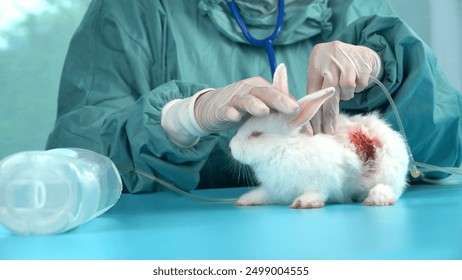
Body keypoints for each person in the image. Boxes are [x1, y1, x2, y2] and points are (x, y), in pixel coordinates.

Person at [47, 0, 462, 193]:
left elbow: (440, 156)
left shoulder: (350, 10)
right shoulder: (135, 12)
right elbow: (76, 161)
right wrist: (179, 119)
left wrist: (385, 69)